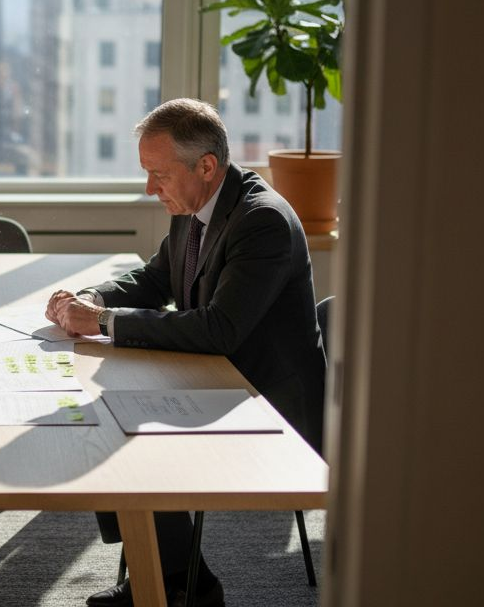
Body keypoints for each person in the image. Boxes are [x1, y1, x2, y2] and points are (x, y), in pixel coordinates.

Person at [45, 98, 326, 607]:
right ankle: (168, 577)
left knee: (125, 432)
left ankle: (182, 586)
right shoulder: (195, 203)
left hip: (266, 401)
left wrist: (104, 323)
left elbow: (218, 330)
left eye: (158, 174)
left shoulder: (261, 222)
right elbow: (156, 279)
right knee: (107, 416)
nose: (151, 189)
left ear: (207, 166)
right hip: (215, 377)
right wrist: (95, 300)